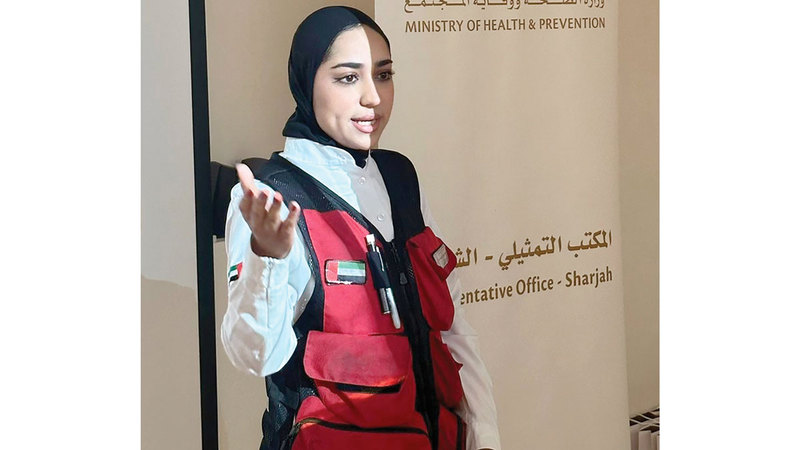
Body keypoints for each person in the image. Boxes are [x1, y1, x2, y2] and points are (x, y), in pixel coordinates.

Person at [221, 6, 500, 450]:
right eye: (348, 78)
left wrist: (485, 436)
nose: (373, 97)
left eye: (383, 75)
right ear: (305, 81)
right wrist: (265, 257)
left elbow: (453, 330)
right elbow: (254, 356)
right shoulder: (270, 197)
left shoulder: (401, 177)